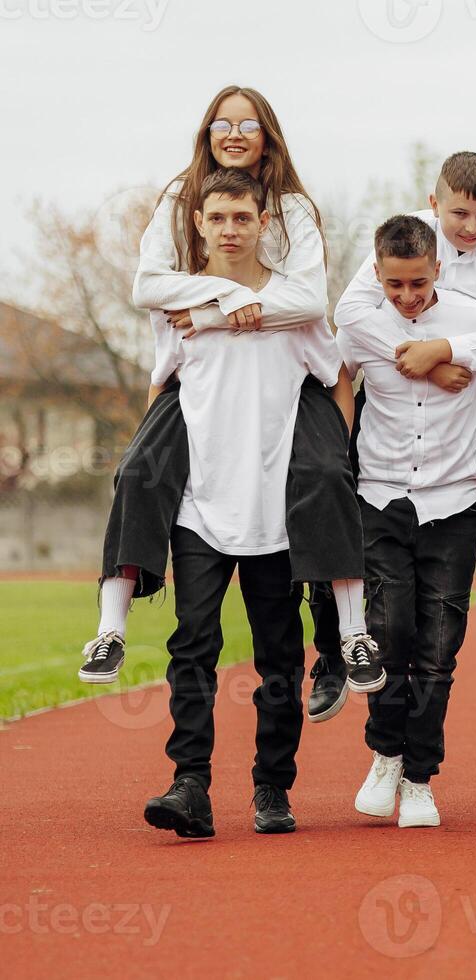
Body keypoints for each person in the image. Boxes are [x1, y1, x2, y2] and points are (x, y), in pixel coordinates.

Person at [83, 85, 376, 707]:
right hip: (199, 365)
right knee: (140, 469)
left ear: (267, 135)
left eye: (249, 124)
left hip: (276, 364)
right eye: (223, 123)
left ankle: (347, 637)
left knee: (325, 474)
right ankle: (111, 628)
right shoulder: (178, 196)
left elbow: (305, 298)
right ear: (207, 133)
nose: (235, 134)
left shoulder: (293, 207)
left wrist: (223, 311)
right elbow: (147, 286)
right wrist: (218, 298)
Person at [141, 169, 343, 838]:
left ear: (264, 223)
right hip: (200, 506)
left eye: (242, 217)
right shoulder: (178, 315)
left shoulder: (295, 307)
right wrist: (149, 483)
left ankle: (271, 788)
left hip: (276, 510)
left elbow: (336, 378)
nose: (230, 229)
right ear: (198, 224)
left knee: (279, 656)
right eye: (218, 217)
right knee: (192, 642)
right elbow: (159, 400)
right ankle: (189, 784)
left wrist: (335, 466)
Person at [314, 150, 476, 722]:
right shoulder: (407, 238)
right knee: (330, 487)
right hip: (395, 384)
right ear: (435, 206)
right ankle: (335, 654)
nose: (470, 228)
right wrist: (422, 360)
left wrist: (447, 352)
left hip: (473, 392)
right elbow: (356, 312)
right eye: (459, 213)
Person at [343, 215, 476, 829]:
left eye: (418, 283)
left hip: (452, 503)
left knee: (438, 647)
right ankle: (386, 754)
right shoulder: (361, 323)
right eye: (394, 285)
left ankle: (420, 778)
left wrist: (451, 355)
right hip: (381, 494)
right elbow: (332, 368)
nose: (407, 297)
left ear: (439, 271)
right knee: (388, 633)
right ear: (377, 276)